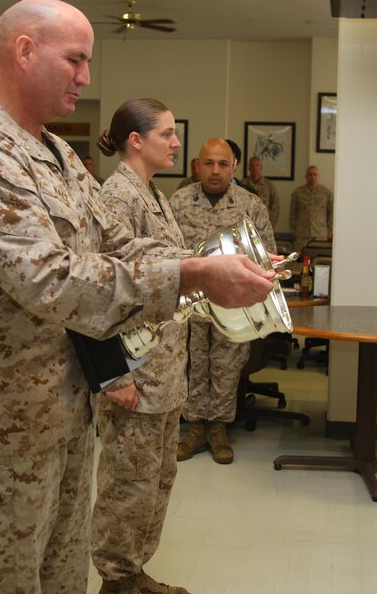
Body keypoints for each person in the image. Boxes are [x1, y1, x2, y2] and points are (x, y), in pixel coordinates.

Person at [0, 0, 276, 593]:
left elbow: (114, 244)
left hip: (65, 410)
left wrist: (208, 265)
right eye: (76, 60)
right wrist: (190, 276)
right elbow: (50, 280)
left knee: (64, 579)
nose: (87, 78)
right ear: (25, 51)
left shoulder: (56, 154)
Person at [91, 98, 190, 594]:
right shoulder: (117, 198)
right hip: (135, 372)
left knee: (155, 480)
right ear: (137, 140)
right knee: (127, 484)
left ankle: (133, 572)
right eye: (167, 134)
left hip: (164, 370)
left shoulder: (152, 194)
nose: (176, 143)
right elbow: (101, 291)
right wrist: (114, 374)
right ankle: (117, 578)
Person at [170, 138, 276, 464]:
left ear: (234, 167)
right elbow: (164, 252)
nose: (215, 171)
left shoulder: (251, 204)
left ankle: (218, 428)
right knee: (192, 366)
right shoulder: (178, 202)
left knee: (226, 368)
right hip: (190, 306)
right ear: (197, 165)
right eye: (208, 164)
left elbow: (267, 257)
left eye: (222, 164)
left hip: (232, 309)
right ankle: (195, 427)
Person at [289, 165, 333, 254]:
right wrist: (293, 229)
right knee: (302, 259)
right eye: (310, 174)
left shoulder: (326, 193)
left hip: (320, 234)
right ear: (306, 176)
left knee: (319, 258)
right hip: (302, 234)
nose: (312, 177)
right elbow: (293, 212)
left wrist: (330, 230)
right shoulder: (297, 193)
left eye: (315, 174)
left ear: (319, 176)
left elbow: (331, 212)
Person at [242, 156, 280, 226]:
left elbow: (275, 206)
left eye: (257, 165)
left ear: (261, 168)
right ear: (249, 168)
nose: (255, 168)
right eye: (252, 165)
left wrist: (271, 223)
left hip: (265, 223)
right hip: (246, 224)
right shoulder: (242, 184)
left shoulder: (269, 185)